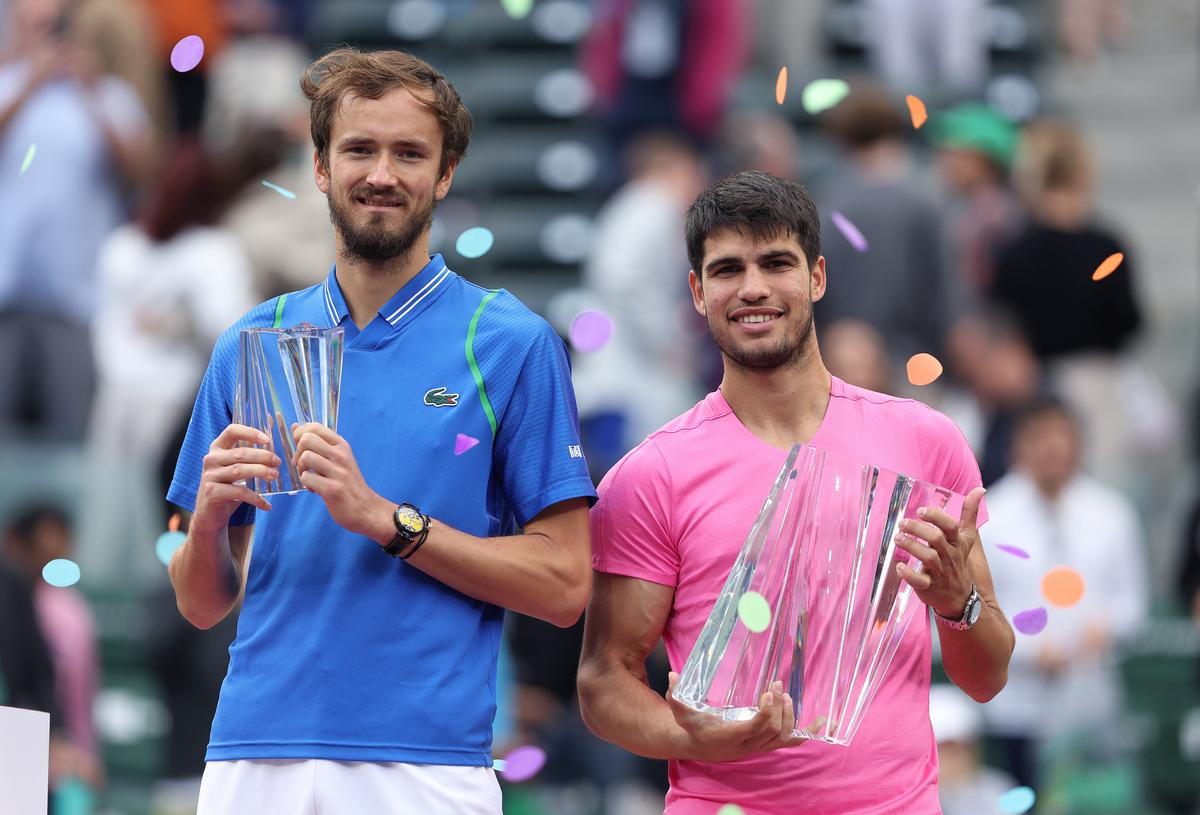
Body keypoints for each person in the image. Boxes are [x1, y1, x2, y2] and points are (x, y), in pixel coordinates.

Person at [166, 47, 595, 814]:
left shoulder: (511, 342)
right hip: (251, 753)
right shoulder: (252, 340)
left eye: (409, 153)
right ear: (323, 167)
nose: (382, 174)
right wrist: (204, 522)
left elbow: (565, 587)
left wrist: (384, 519)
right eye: (359, 149)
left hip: (423, 763)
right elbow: (201, 603)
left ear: (446, 172)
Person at [577, 170, 1014, 814]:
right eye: (728, 270)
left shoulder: (926, 441)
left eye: (776, 262)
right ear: (698, 293)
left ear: (817, 277)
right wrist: (697, 738)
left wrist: (958, 605)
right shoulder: (651, 474)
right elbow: (602, 680)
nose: (753, 288)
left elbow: (987, 677)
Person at [980, 397, 1148, 792]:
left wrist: (1107, 629)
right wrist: (1026, 651)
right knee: (1020, 799)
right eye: (1040, 437)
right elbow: (973, 612)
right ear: (1018, 446)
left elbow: (1134, 605)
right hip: (1015, 705)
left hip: (1091, 704)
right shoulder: (990, 520)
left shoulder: (1112, 514)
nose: (1053, 447)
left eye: (1062, 435)